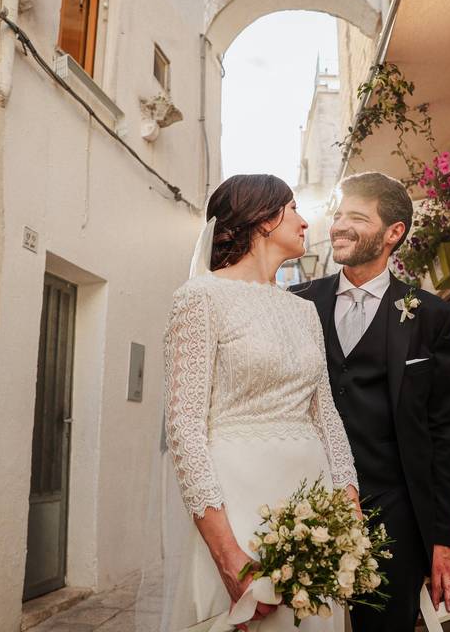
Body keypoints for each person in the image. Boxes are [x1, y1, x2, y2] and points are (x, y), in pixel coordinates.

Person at [160, 174, 360, 632]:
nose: (306, 222)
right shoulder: (201, 298)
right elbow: (185, 429)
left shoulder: (303, 310)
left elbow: (325, 414)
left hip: (312, 495)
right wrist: (227, 553)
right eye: (293, 209)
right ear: (264, 219)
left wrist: (348, 503)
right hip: (239, 497)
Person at [289, 172, 450, 632]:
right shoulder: (297, 303)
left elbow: (444, 430)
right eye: (338, 215)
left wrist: (443, 538)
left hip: (394, 509)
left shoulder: (433, 317)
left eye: (357, 218)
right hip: (304, 499)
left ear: (394, 233)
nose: (339, 226)